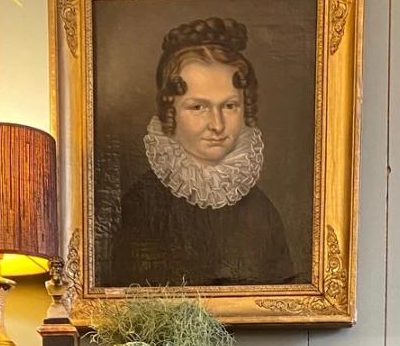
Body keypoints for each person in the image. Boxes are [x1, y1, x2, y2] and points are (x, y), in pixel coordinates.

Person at [106, 17, 296, 287]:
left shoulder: (262, 212)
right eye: (198, 107)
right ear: (170, 111)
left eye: (229, 106)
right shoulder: (139, 207)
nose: (217, 125)